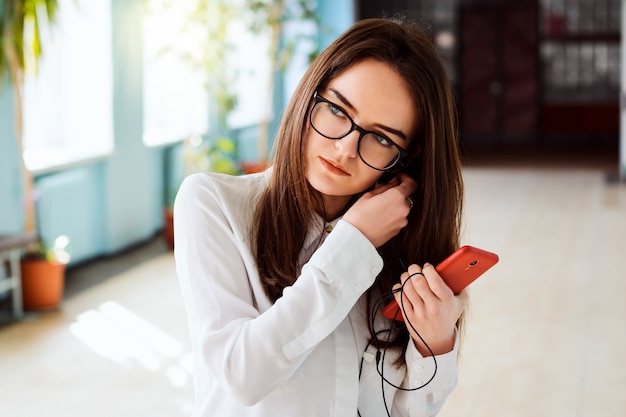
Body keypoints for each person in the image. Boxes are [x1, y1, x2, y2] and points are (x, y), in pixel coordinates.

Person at [174, 17, 468, 417]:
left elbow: (397, 411)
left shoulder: (402, 247)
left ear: (407, 157)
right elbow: (242, 375)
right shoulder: (213, 203)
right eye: (337, 110)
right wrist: (354, 242)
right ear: (309, 95)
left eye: (381, 138)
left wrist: (434, 346)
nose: (346, 148)